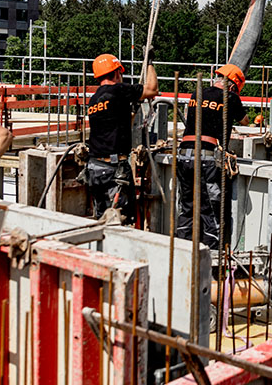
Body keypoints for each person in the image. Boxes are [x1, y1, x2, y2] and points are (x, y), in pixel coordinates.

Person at [176, 64, 249, 250]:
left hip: (184, 155)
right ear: (233, 86)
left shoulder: (197, 93)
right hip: (206, 159)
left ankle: (182, 251)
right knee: (211, 212)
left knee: (187, 208)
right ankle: (212, 259)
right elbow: (245, 121)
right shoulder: (230, 97)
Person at [85, 52, 158, 222]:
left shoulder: (94, 99)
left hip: (94, 168)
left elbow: (118, 122)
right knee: (119, 219)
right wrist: (149, 63)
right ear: (117, 72)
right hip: (113, 170)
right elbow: (153, 89)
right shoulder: (119, 90)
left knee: (101, 219)